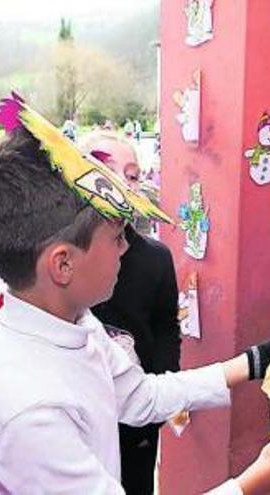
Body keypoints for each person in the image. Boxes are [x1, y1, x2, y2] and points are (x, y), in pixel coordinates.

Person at [0, 94, 270, 494]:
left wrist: (255, 362)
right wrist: (255, 483)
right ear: (63, 264)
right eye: (116, 236)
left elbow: (140, 396)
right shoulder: (30, 411)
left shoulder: (76, 321)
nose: (126, 247)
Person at [81, 132, 180, 494]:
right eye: (106, 169)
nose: (122, 182)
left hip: (137, 414)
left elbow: (167, 325)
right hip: (83, 413)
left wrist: (163, 388)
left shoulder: (156, 258)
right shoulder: (64, 255)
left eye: (133, 174)